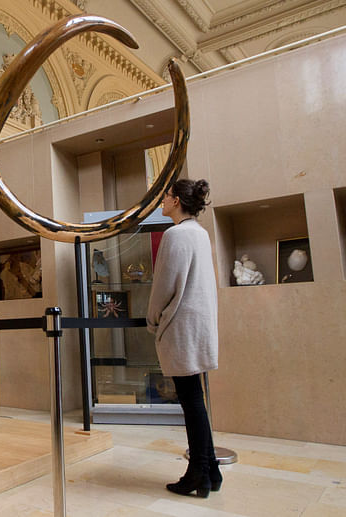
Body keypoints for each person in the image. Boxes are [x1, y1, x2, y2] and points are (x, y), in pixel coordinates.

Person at [146, 178, 221, 498]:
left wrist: (153, 320)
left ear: (176, 201)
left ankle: (198, 473)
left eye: (166, 196)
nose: (162, 201)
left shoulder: (175, 235)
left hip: (181, 325)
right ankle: (210, 470)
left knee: (191, 402)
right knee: (196, 400)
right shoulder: (200, 234)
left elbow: (164, 285)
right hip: (200, 324)